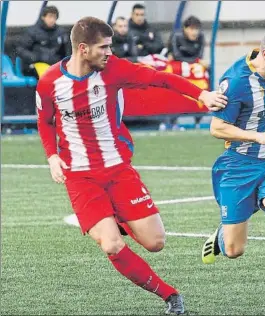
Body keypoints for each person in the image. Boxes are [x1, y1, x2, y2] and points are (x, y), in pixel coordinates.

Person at [36, 16, 227, 315]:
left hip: (117, 169)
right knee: (111, 244)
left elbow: (159, 78)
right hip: (80, 177)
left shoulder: (113, 70)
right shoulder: (49, 83)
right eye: (104, 47)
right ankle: (170, 296)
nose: (110, 53)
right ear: (83, 49)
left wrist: (202, 94)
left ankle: (119, 219)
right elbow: (44, 121)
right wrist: (52, 156)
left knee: (155, 242)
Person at [200, 26, 265, 312]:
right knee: (235, 250)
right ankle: (222, 238)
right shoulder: (235, 82)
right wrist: (257, 136)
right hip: (239, 166)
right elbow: (217, 128)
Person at [16, 5, 71, 77]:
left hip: (56, 64)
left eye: (54, 17)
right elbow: (21, 49)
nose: (52, 20)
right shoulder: (32, 31)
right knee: (47, 76)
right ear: (43, 17)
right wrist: (34, 58)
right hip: (37, 64)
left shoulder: (61, 32)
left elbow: (67, 51)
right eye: (50, 17)